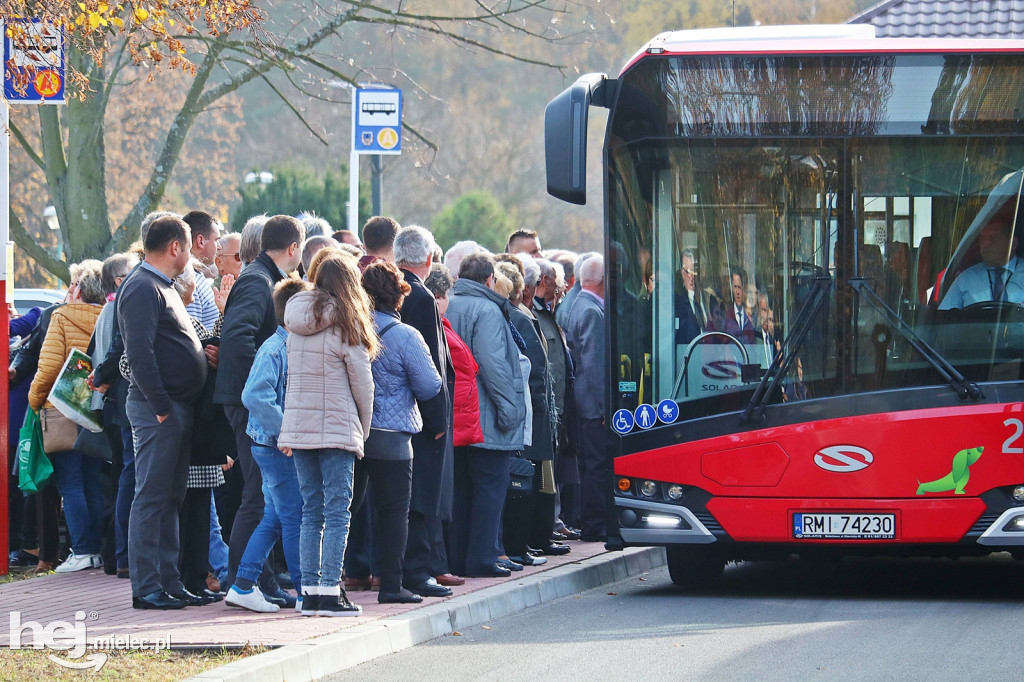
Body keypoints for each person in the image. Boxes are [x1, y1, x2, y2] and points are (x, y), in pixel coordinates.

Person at [119, 216, 209, 609]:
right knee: (153, 497)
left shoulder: (162, 286)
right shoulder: (141, 287)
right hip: (159, 408)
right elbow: (138, 353)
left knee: (172, 497)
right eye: (188, 247)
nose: (189, 256)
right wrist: (159, 407)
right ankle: (148, 586)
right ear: (175, 247)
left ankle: (169, 582)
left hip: (175, 407)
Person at [279, 253, 376, 617]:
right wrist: (361, 429)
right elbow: (363, 386)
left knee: (311, 511)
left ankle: (309, 593)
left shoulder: (294, 321)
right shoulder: (347, 325)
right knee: (338, 511)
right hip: (337, 429)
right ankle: (330, 593)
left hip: (301, 431)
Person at [215, 214, 304, 606]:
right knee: (258, 496)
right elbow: (237, 336)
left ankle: (257, 582)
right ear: (294, 248)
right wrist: (263, 382)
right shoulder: (258, 280)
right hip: (247, 401)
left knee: (265, 495)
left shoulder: (259, 277)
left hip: (246, 398)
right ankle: (244, 583)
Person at [359, 261, 443, 604]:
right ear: (398, 296)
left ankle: (341, 578)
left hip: (356, 432)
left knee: (349, 509)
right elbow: (429, 385)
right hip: (393, 435)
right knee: (394, 511)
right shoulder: (407, 335)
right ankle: (392, 585)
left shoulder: (349, 328)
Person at [227, 278, 312, 613]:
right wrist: (286, 431)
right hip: (274, 445)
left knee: (276, 517)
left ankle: (244, 584)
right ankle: (307, 592)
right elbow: (254, 395)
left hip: (273, 443)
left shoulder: (284, 346)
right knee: (292, 518)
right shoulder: (276, 349)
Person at [445, 253, 526, 578]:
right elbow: (493, 366)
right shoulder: (488, 309)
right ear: (490, 280)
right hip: (486, 416)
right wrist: (510, 413)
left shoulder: (448, 302)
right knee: (490, 490)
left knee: (462, 491)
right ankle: (482, 558)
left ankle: (459, 557)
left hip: (458, 417)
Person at [28, 260, 107, 573]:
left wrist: (35, 401)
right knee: (92, 481)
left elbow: (48, 368)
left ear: (79, 289)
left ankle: (83, 550)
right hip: (95, 410)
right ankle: (97, 550)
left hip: (61, 410)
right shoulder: (107, 316)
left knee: (70, 483)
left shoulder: (61, 317)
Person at [393, 226, 458, 597]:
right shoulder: (418, 296)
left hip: (390, 411)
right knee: (420, 497)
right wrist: (437, 418)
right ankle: (416, 571)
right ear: (430, 259)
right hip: (417, 414)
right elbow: (430, 365)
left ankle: (400, 570)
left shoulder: (386, 288)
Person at [89, 251, 138, 578]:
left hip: (114, 405)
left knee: (123, 478)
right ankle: (123, 555)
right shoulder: (121, 304)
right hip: (124, 404)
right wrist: (102, 377)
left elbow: (97, 350)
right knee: (128, 479)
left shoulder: (108, 307)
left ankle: (118, 556)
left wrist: (99, 378)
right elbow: (114, 351)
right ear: (121, 279)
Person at [565, 254, 608, 542]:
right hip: (592, 405)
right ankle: (596, 524)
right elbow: (593, 365)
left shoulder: (578, 303)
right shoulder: (591, 311)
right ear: (604, 282)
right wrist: (605, 407)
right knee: (595, 465)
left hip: (583, 401)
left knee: (590, 465)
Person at [939, 209, 1024, 309]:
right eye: (982, 238)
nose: (986, 244)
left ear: (1013, 243)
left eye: (994, 238)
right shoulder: (966, 278)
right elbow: (943, 316)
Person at [182, 210, 223, 330]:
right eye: (216, 240)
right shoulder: (188, 280)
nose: (219, 247)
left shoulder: (197, 277)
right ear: (200, 241)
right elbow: (190, 334)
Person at [675, 249, 707, 345]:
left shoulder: (707, 299)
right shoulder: (678, 302)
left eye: (694, 272)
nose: (691, 276)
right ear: (682, 273)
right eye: (688, 272)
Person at [724, 266, 755, 342]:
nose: (737, 292)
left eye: (739, 287)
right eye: (735, 287)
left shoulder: (751, 317)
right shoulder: (726, 316)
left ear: (745, 288)